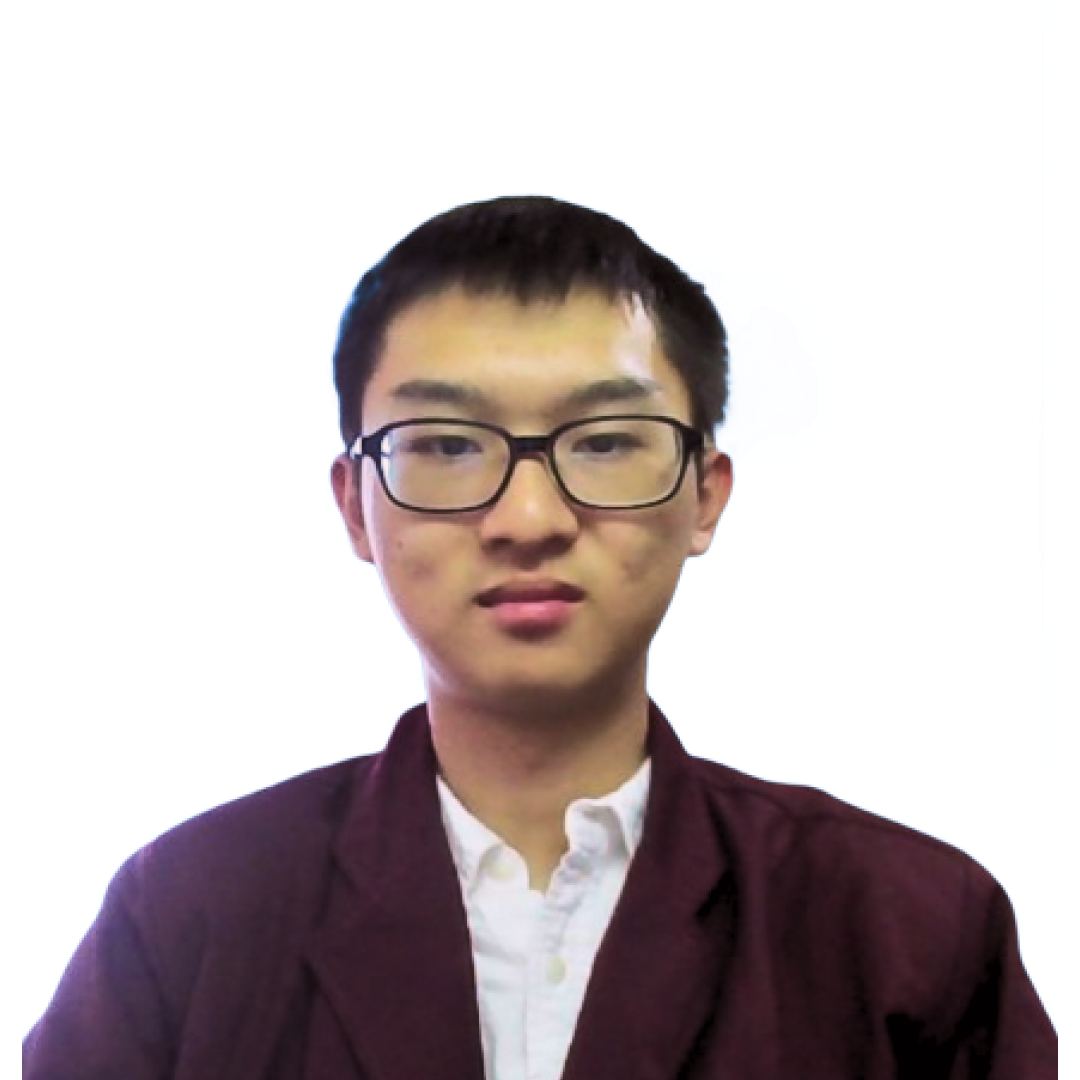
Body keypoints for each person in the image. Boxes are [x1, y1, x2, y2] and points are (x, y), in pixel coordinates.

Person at [23, 195, 1057, 1079]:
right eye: (445, 445)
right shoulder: (190, 912)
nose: (527, 518)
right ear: (353, 506)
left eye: (604, 442)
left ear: (707, 493)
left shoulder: (908, 925)